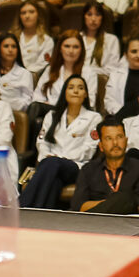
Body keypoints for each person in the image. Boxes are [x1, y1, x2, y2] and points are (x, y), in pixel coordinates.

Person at [22, 74, 102, 208]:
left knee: (53, 163)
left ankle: (21, 205)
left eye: (80, 88)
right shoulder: (52, 115)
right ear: (65, 92)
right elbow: (42, 142)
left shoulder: (94, 118)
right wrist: (47, 156)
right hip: (51, 166)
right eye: (71, 88)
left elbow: (89, 149)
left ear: (86, 94)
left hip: (77, 166)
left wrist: (61, 158)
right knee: (55, 182)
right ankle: (39, 214)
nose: (75, 91)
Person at [72, 120, 139, 214]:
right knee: (122, 199)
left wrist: (113, 203)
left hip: (128, 222)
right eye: (109, 138)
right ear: (101, 146)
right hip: (93, 222)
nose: (115, 143)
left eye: (119, 137)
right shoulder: (88, 169)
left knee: (125, 199)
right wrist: (113, 203)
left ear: (126, 141)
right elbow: (79, 206)